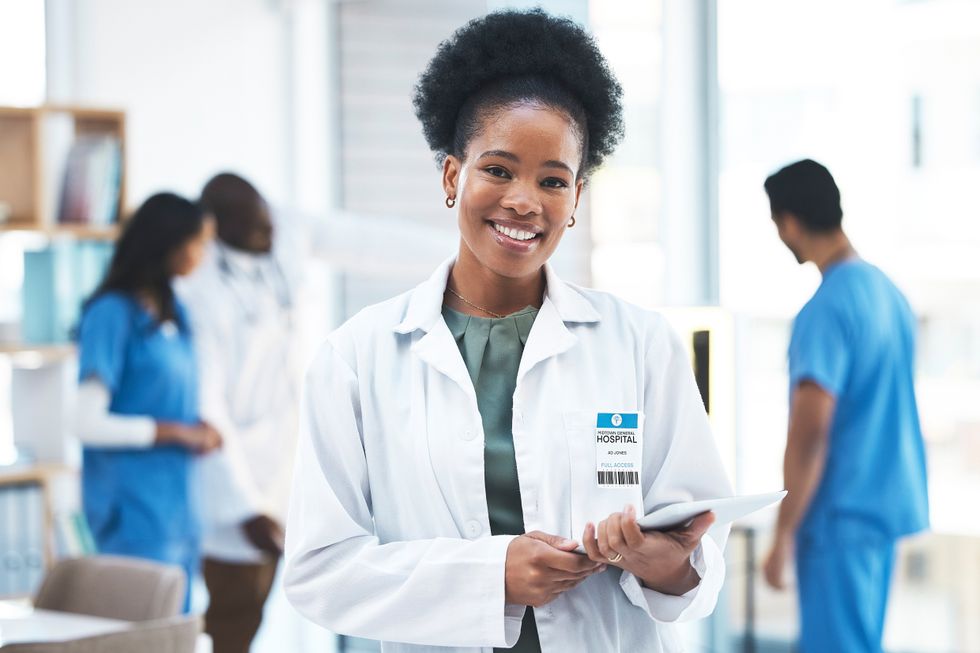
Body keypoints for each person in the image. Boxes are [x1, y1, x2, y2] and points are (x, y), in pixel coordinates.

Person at [283, 10, 731, 653]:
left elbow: (700, 550)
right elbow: (320, 571)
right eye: (498, 170)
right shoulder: (357, 357)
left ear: (576, 199)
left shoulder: (639, 344)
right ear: (451, 176)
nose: (525, 200)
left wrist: (668, 568)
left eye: (552, 180)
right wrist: (490, 577)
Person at [760, 159, 929, 653]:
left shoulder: (826, 309)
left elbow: (810, 435)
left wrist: (782, 534)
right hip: (882, 509)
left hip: (840, 516)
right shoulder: (888, 293)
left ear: (791, 223)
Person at [74, 192, 222, 610]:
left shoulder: (176, 312)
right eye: (199, 243)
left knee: (179, 630)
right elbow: (85, 422)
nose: (204, 255)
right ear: (170, 244)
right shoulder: (111, 314)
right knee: (143, 630)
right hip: (133, 512)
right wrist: (173, 432)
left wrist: (200, 428)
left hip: (178, 509)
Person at [178, 173, 301, 652]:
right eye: (257, 227)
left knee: (248, 617)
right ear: (219, 229)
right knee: (233, 624)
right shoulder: (200, 291)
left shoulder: (269, 259)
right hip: (234, 496)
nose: (271, 234)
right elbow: (208, 412)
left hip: (277, 478)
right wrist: (247, 508)